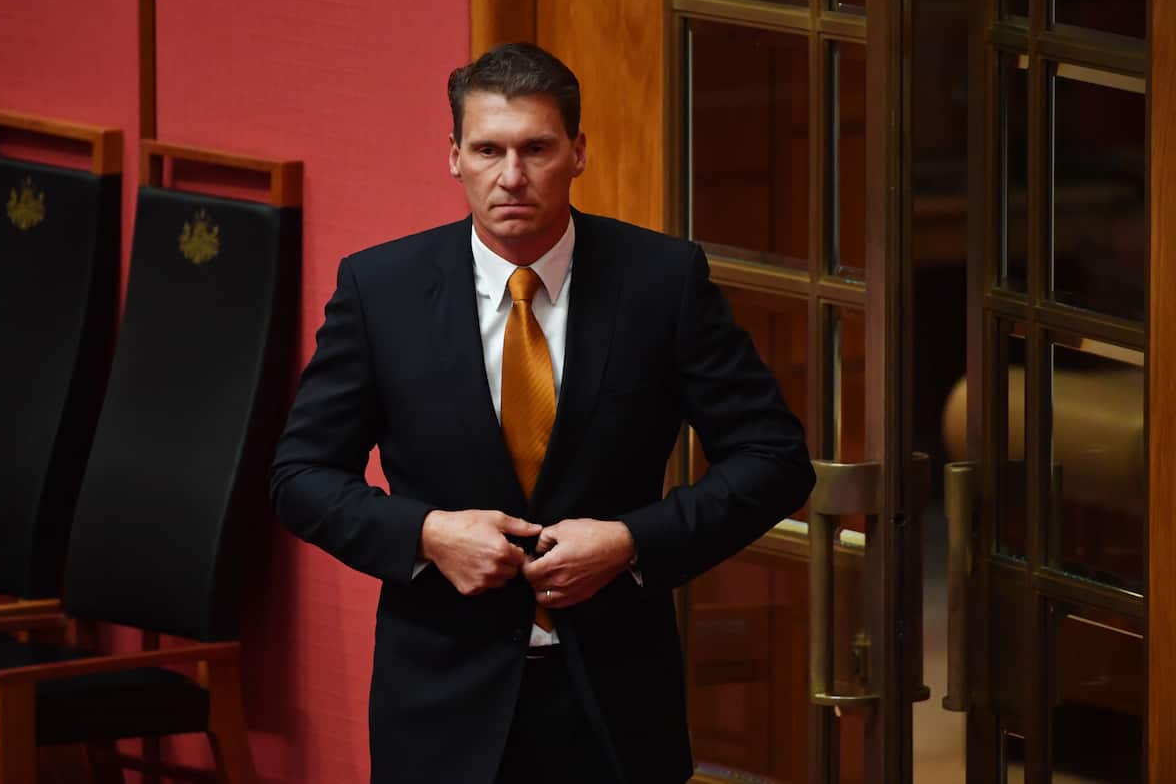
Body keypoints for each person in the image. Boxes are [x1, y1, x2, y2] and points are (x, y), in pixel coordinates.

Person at [271, 42, 815, 784]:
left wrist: (630, 541)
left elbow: (776, 459)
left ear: (578, 152)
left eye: (536, 148)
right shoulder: (380, 290)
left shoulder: (663, 282)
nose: (512, 176)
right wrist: (428, 534)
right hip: (439, 710)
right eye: (489, 149)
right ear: (454, 156)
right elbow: (299, 475)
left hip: (614, 706)